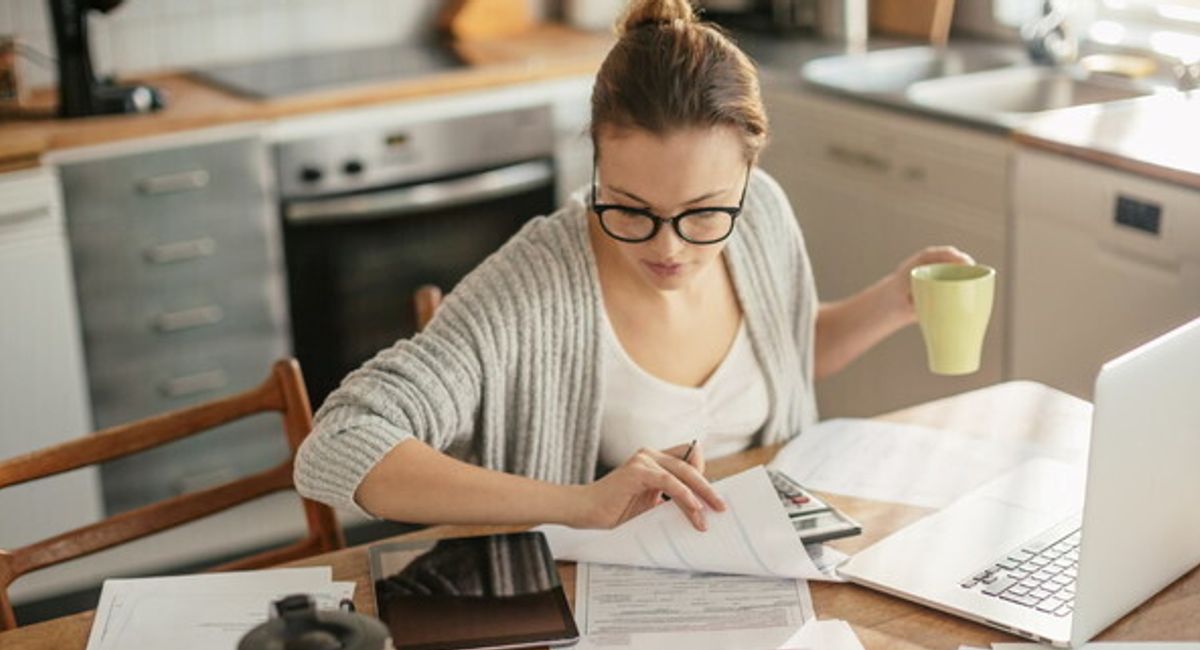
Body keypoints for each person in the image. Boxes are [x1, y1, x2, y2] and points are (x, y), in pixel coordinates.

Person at [294, 0, 972, 532]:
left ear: (750, 171)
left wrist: (895, 300)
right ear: (595, 163)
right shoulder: (535, 285)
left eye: (704, 212)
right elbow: (338, 446)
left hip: (766, 561)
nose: (669, 248)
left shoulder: (761, 214)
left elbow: (789, 347)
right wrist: (580, 503)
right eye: (630, 206)